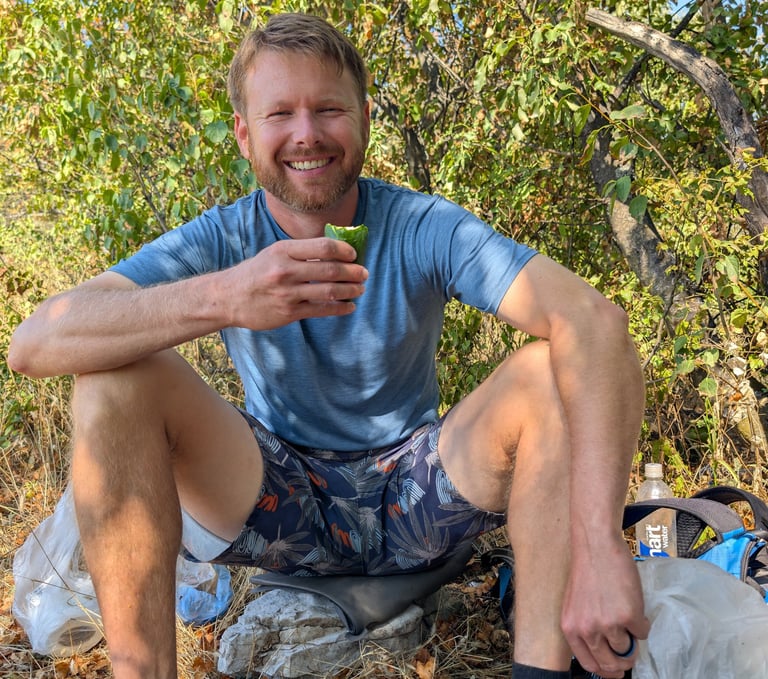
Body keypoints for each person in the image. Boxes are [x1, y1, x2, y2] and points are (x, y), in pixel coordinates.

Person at [8, 12, 650, 679]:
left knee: (550, 366)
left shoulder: (423, 225)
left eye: (329, 108)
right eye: (279, 113)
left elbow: (596, 321)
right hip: (280, 496)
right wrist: (228, 297)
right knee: (112, 378)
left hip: (417, 490)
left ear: (365, 118)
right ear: (244, 134)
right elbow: (34, 344)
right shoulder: (223, 240)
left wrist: (601, 546)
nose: (306, 134)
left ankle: (541, 669)